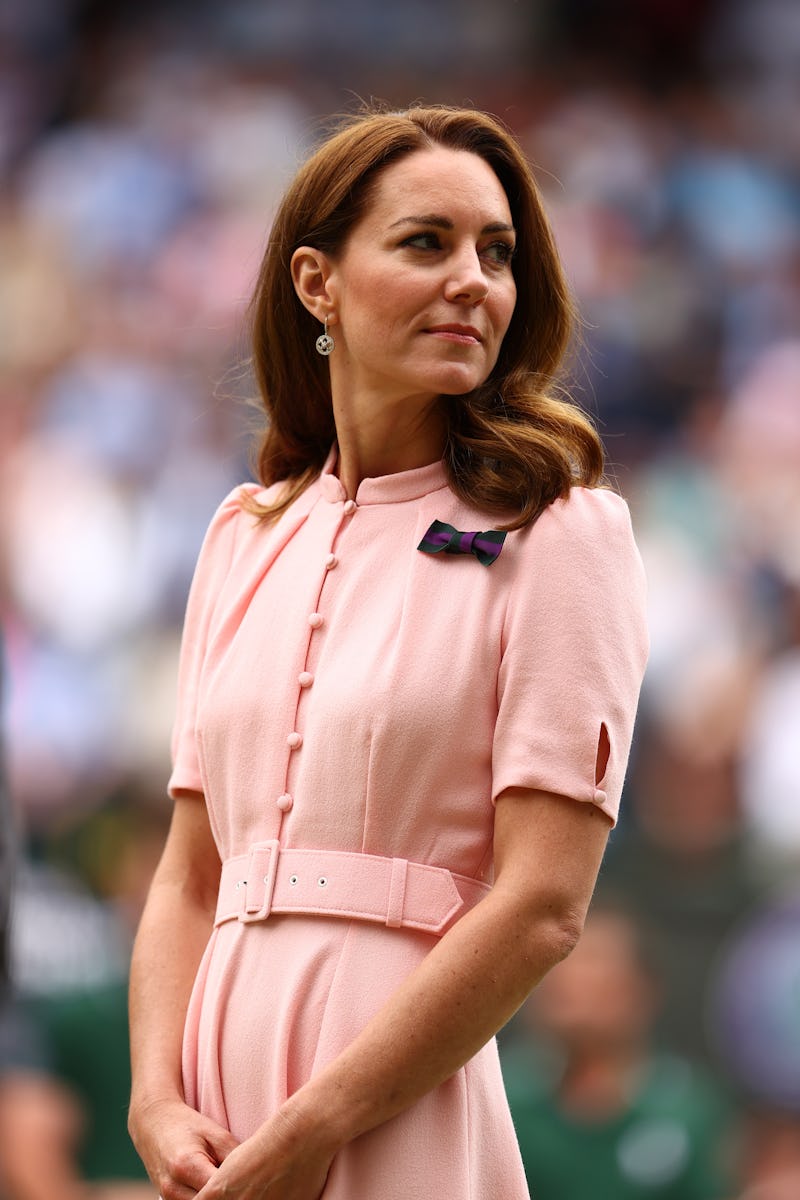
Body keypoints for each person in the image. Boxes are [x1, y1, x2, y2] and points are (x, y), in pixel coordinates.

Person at [127, 104, 649, 1200]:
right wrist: (153, 1100)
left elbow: (542, 907)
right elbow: (189, 873)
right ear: (317, 283)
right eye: (427, 242)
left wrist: (321, 1121)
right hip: (209, 1115)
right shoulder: (242, 533)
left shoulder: (561, 529)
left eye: (497, 253)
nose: (473, 279)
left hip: (396, 1095)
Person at [502, 903, 733, 1199]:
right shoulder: (507, 1100)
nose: (565, 975)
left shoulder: (688, 1111)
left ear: (642, 989)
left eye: (592, 959)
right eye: (556, 959)